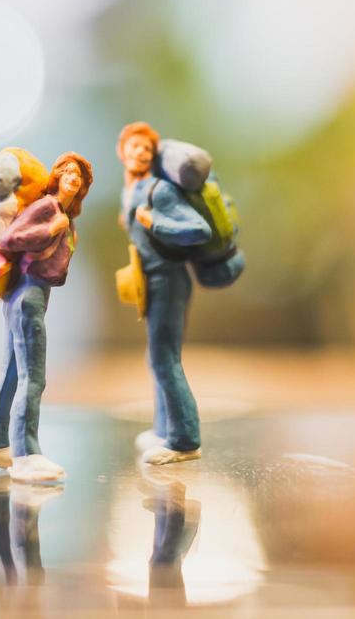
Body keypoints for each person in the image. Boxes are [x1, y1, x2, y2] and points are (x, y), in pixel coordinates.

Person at [0, 152, 93, 484]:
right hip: (28, 294)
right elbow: (11, 239)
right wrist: (52, 229)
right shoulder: (48, 210)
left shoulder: (66, 220)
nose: (74, 178)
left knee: (14, 371)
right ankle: (26, 455)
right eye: (68, 172)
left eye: (80, 177)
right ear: (56, 177)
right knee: (34, 378)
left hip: (36, 295)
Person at [118, 122, 211, 465]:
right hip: (150, 282)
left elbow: (198, 229)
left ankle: (185, 439)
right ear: (122, 152)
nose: (139, 153)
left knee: (165, 359)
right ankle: (163, 429)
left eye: (146, 149)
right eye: (134, 147)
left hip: (170, 281)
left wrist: (154, 222)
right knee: (156, 357)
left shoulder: (159, 191)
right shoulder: (130, 189)